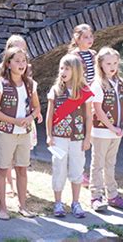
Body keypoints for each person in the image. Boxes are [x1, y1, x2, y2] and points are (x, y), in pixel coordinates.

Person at [0, 46, 41, 220]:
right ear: (8, 63)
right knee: (3, 169)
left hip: (24, 133)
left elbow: (37, 107)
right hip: (5, 133)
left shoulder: (30, 84)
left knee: (22, 169)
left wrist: (31, 117)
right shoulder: (0, 84)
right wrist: (14, 121)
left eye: (24, 61)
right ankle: (2, 208)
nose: (21, 64)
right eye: (17, 61)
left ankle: (23, 206)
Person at [46, 54, 93, 218]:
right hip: (59, 137)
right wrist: (49, 135)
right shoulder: (56, 90)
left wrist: (88, 138)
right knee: (58, 168)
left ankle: (75, 202)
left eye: (67, 68)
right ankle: (58, 203)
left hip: (77, 137)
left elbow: (88, 117)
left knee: (77, 168)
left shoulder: (84, 92)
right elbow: (50, 115)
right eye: (61, 68)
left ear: (76, 71)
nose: (63, 71)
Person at [90, 47, 123, 211]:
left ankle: (112, 194)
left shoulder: (120, 83)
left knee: (110, 163)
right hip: (102, 131)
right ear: (100, 64)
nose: (112, 66)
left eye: (115, 63)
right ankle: (95, 196)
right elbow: (98, 110)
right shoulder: (98, 84)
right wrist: (111, 126)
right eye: (108, 63)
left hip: (117, 131)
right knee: (98, 164)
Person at [68, 23, 96, 187]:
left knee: (88, 133)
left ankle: (84, 170)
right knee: (78, 133)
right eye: (85, 37)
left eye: (91, 36)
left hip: (91, 97)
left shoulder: (93, 54)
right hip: (79, 97)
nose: (89, 39)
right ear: (77, 39)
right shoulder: (74, 56)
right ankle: (78, 171)